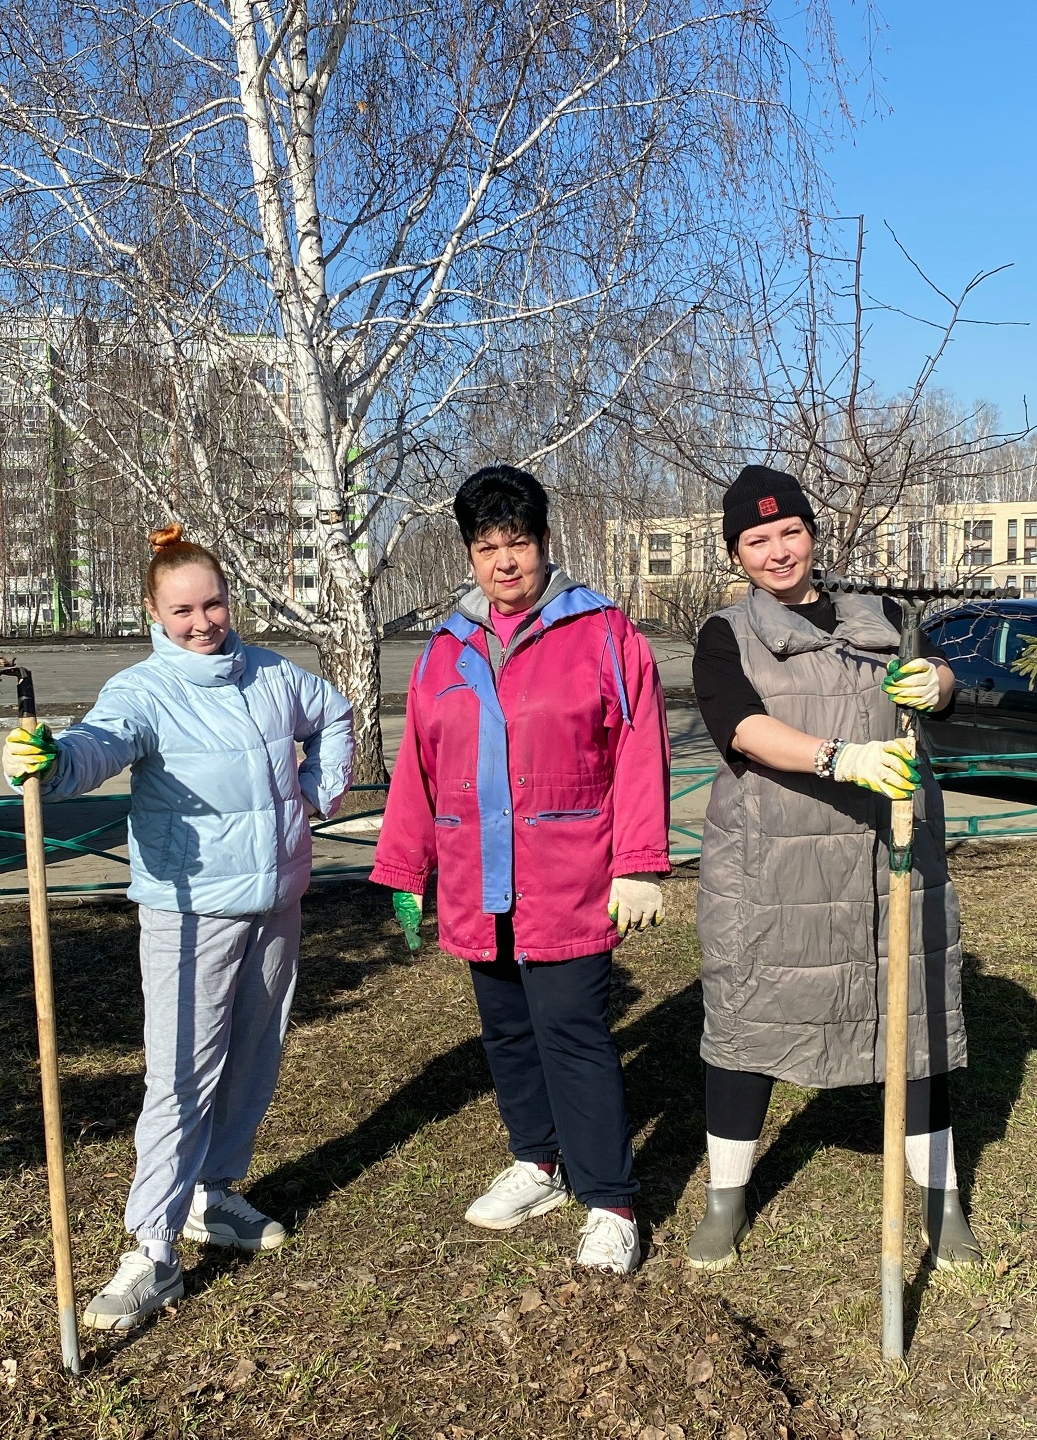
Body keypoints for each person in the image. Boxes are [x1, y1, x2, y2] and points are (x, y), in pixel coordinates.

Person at [2, 525, 353, 1329]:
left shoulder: (272, 674)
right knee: (181, 1078)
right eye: (184, 611)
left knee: (254, 1056)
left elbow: (334, 712)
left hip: (276, 902)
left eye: (214, 604)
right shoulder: (145, 691)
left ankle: (212, 1195)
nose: (203, 623)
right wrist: (53, 761)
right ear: (154, 614)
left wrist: (316, 793)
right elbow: (99, 745)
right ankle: (152, 1251)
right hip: (188, 912)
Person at [370, 465, 671, 1274]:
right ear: (469, 554)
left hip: (571, 875)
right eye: (487, 546)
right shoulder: (446, 648)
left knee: (572, 1032)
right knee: (506, 1031)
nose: (505, 562)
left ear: (544, 542)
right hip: (480, 879)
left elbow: (640, 749)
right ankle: (537, 1161)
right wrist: (405, 868)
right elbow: (420, 767)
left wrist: (639, 863)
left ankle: (610, 1200)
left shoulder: (602, 633)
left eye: (519, 542)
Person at [689, 464, 981, 1271]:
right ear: (737, 553)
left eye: (790, 532)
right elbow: (741, 727)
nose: (778, 551)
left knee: (915, 1017)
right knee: (748, 1021)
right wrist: (841, 757)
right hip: (773, 867)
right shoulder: (727, 634)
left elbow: (942, 681)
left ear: (813, 535)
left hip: (890, 854)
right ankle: (725, 1199)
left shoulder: (879, 615)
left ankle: (942, 1200)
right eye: (757, 540)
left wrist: (936, 682)